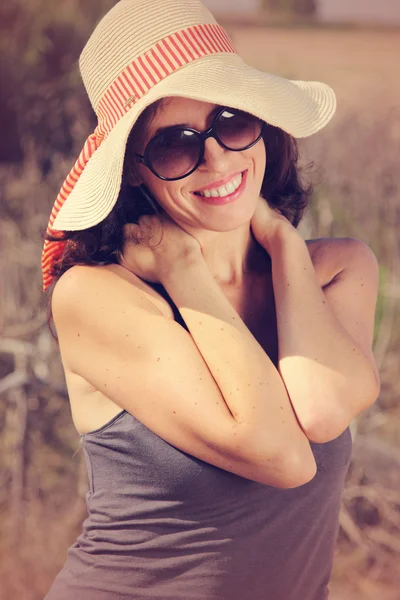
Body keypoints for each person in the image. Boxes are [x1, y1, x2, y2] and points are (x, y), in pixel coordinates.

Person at [42, 1, 380, 599]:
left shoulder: (337, 270)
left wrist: (283, 244)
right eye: (176, 146)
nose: (218, 157)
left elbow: (321, 410)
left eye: (231, 120)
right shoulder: (97, 297)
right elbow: (285, 457)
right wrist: (181, 268)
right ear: (136, 173)